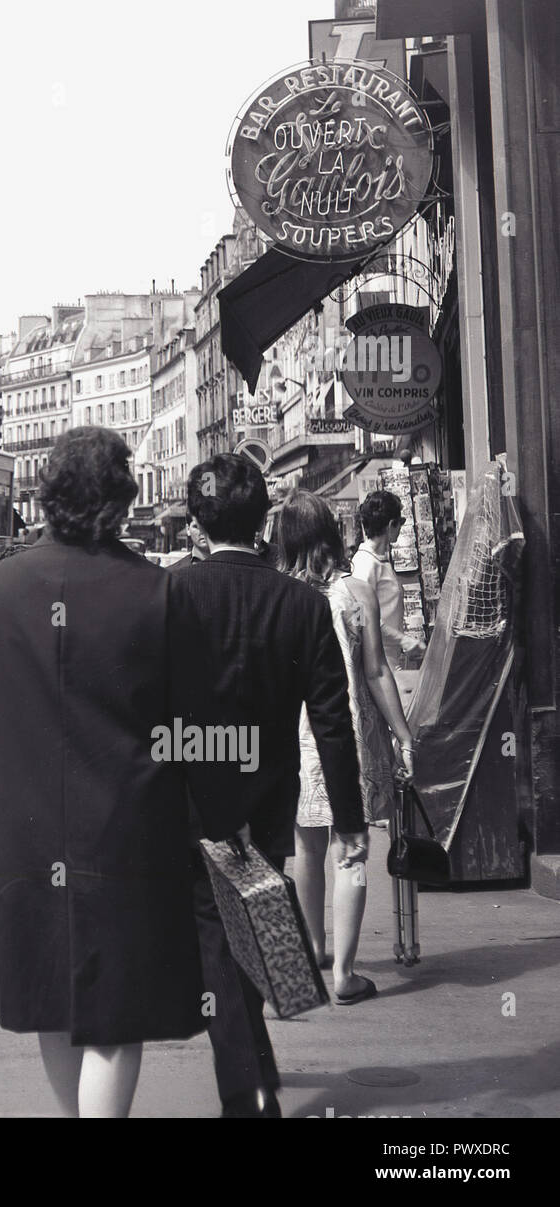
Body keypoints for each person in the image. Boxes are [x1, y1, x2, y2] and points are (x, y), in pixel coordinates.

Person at [0, 427, 226, 1118]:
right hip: (128, 833)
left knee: (52, 997)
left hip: (24, 833)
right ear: (121, 495)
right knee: (116, 1014)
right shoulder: (160, 594)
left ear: (48, 494)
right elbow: (194, 731)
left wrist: (3, 793)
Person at [169, 453, 366, 1119]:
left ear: (199, 517)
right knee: (246, 926)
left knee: (222, 946)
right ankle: (255, 1070)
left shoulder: (174, 595)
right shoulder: (302, 604)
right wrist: (351, 820)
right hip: (271, 799)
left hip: (196, 796)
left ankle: (250, 1098)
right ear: (264, 519)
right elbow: (333, 721)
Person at [279, 490, 416, 1005]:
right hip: (349, 734)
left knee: (307, 847)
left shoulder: (281, 594)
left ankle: (316, 947)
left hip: (297, 739)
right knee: (351, 847)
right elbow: (377, 672)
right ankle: (346, 972)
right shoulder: (356, 592)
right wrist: (403, 735)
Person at [352, 490, 423, 673]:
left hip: (388, 660)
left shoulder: (379, 560)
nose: (400, 528)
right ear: (391, 524)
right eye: (401, 523)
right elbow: (359, 618)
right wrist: (404, 640)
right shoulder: (364, 564)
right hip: (377, 664)